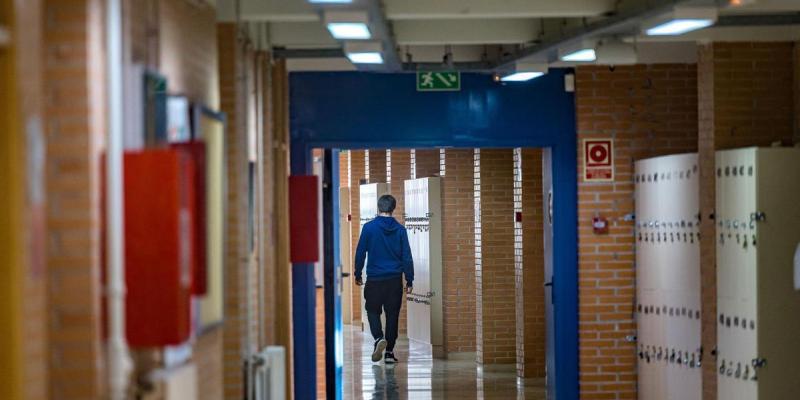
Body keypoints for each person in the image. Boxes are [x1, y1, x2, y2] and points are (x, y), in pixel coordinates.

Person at [354, 194, 414, 364]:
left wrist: (357, 273)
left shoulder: (369, 228)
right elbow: (407, 257)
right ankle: (389, 352)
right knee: (392, 315)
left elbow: (360, 253)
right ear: (393, 208)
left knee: (372, 311)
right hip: (394, 280)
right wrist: (409, 280)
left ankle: (378, 338)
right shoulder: (400, 230)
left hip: (375, 279)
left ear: (378, 208)